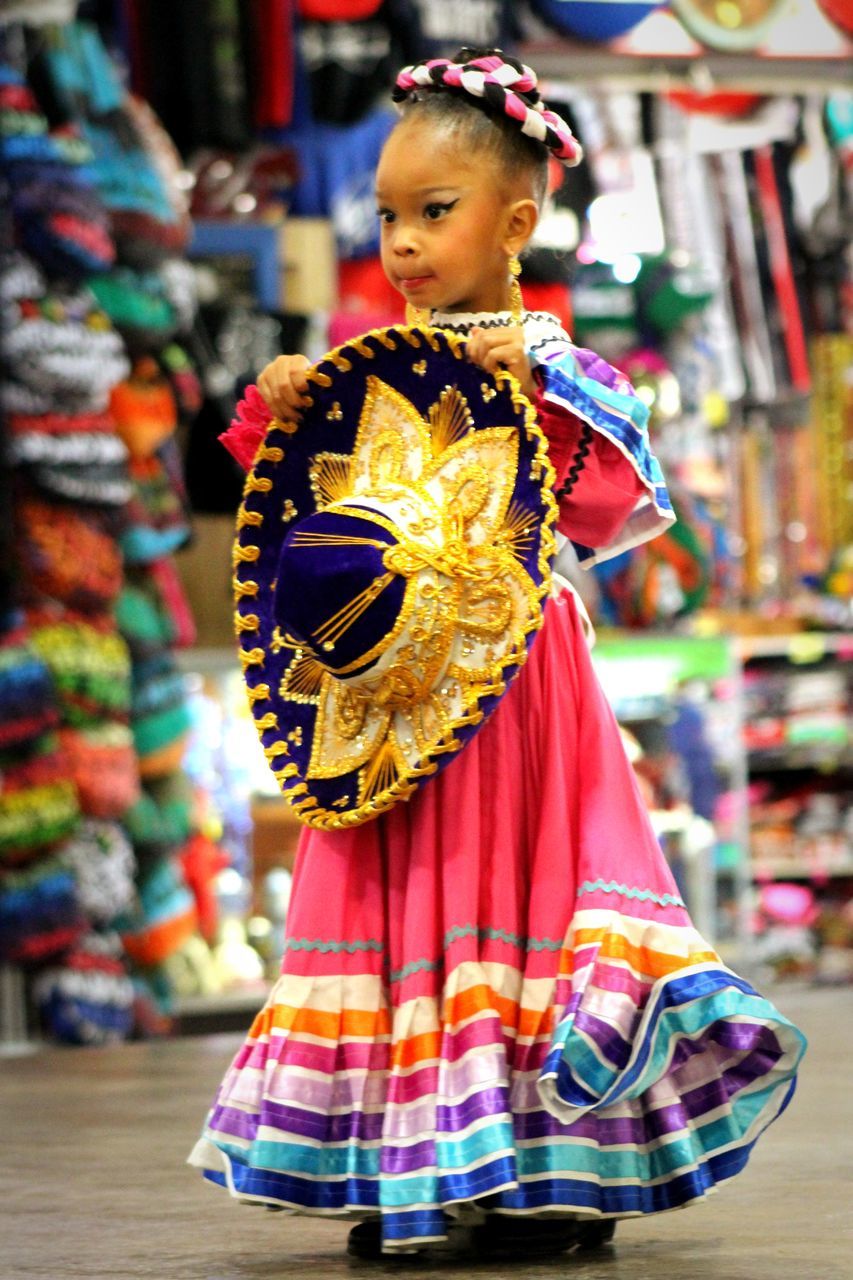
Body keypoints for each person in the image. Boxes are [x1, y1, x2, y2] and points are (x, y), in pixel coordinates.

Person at [189, 48, 806, 1262]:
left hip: (518, 676)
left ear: (517, 221)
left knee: (519, 891)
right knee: (404, 896)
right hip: (390, 684)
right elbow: (294, 496)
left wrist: (545, 388)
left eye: (434, 211)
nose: (404, 242)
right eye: (388, 216)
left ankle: (549, 1167)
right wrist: (285, 394)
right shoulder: (368, 362)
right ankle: (408, 1158)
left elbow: (606, 508)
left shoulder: (558, 368)